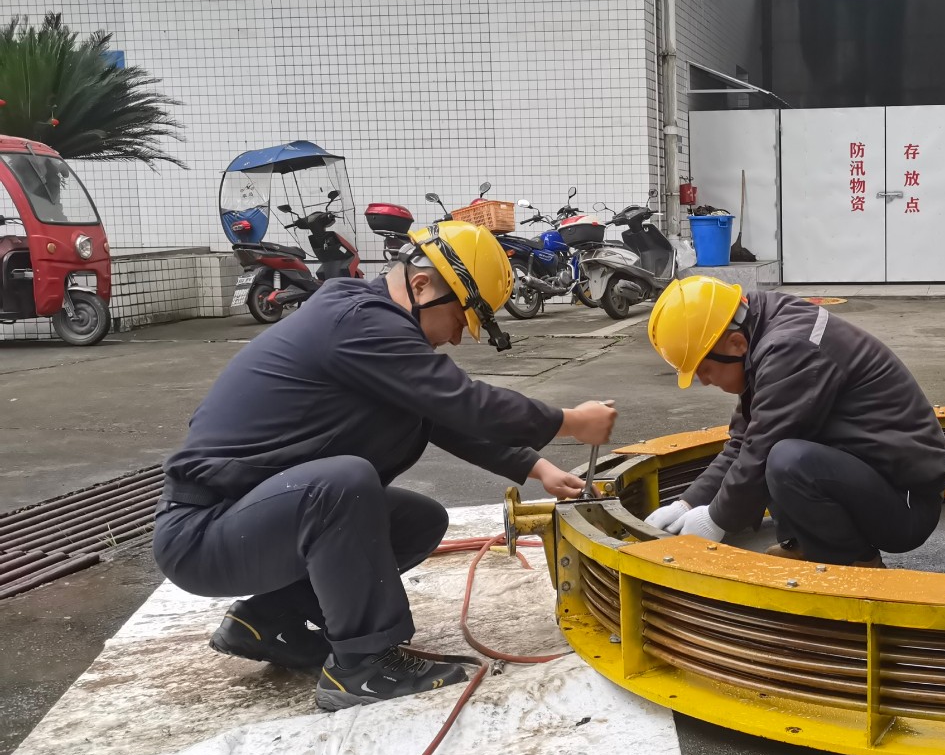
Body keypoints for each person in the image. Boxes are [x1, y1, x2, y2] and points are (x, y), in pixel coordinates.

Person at [153, 220, 617, 710]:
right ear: (422, 285)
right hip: (204, 534)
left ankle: (269, 621)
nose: (457, 339)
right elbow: (463, 401)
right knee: (343, 483)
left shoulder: (368, 326)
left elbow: (440, 416)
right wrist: (568, 421)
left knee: (416, 521)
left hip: (252, 521)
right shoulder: (358, 321)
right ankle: (364, 666)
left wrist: (538, 468)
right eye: (459, 319)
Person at [642, 277, 945, 567]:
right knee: (775, 451)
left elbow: (761, 450)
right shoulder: (760, 331)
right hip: (871, 478)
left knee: (784, 458)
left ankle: (857, 561)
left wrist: (715, 519)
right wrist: (687, 503)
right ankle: (807, 545)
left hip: (906, 503)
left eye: (704, 370)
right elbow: (745, 442)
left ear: (735, 344)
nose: (705, 381)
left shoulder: (791, 349)